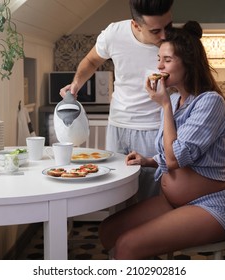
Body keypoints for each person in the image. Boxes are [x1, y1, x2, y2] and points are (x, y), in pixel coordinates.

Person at [98, 21, 225, 260]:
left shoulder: (209, 101)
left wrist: (163, 104)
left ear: (188, 62)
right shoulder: (176, 101)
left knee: (127, 246)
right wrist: (149, 160)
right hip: (174, 203)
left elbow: (175, 159)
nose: (159, 65)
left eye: (167, 60)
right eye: (158, 59)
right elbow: (170, 150)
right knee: (108, 231)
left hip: (211, 206)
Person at [60, 0, 174, 201]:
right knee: (115, 195)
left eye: (168, 26)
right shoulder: (114, 33)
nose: (165, 35)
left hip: (154, 128)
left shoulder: (174, 42)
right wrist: (76, 83)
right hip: (117, 127)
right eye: (156, 31)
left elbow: (196, 83)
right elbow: (92, 60)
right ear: (136, 25)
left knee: (150, 199)